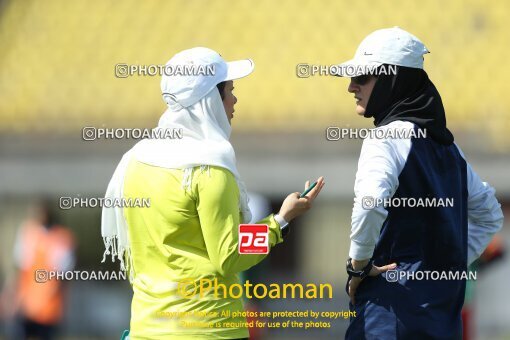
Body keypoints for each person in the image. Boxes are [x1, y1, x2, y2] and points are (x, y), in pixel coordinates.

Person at [101, 47, 324, 339]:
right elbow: (229, 255)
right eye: (229, 90)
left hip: (146, 329)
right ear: (209, 102)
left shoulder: (135, 160)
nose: (234, 99)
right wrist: (280, 220)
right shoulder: (210, 168)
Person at [334, 27, 504, 339]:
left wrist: (358, 267)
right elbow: (490, 215)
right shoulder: (448, 148)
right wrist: (441, 268)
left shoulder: (384, 138)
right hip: (442, 322)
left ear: (391, 80)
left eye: (362, 77)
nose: (351, 87)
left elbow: (370, 202)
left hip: (386, 318)